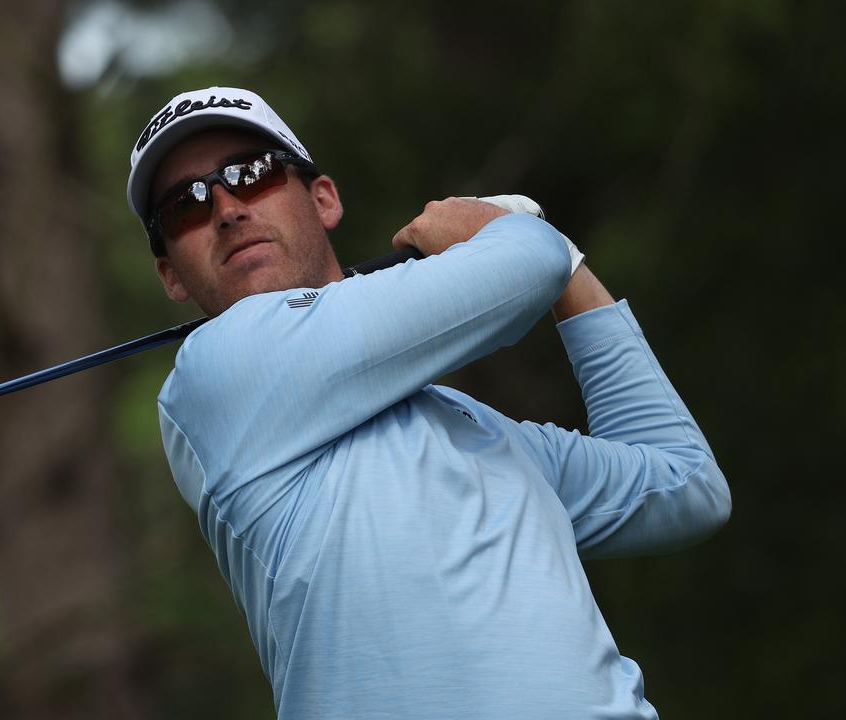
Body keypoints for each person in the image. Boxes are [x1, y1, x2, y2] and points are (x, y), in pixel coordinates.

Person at [125, 86, 731, 719]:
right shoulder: (218, 369)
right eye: (184, 204)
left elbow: (685, 486)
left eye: (251, 174)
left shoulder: (472, 426)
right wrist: (519, 237)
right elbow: (525, 263)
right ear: (171, 274)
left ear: (323, 198)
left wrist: (567, 265)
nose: (225, 208)